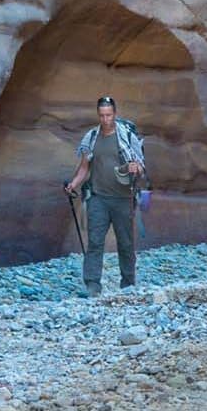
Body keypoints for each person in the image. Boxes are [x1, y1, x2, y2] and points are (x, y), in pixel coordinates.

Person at [64, 96, 145, 297]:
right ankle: (92, 284)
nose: (105, 119)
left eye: (108, 115)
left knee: (126, 243)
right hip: (98, 197)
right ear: (98, 115)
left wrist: (136, 168)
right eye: (102, 115)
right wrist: (74, 184)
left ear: (115, 114)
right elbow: (84, 167)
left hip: (123, 199)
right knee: (95, 242)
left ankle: (128, 283)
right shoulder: (91, 137)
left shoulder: (127, 137)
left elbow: (141, 168)